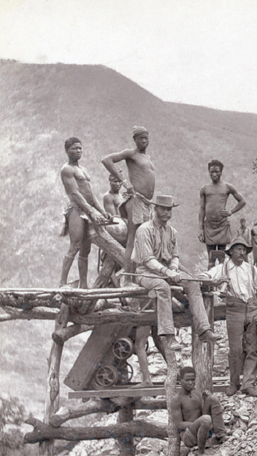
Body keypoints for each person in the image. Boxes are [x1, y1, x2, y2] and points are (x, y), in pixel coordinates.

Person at [131, 195, 220, 362]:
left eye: (169, 209)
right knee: (162, 287)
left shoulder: (172, 232)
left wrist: (173, 267)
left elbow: (175, 255)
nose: (166, 213)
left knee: (192, 284)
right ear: (155, 209)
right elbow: (148, 260)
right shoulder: (144, 230)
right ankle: (169, 335)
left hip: (167, 272)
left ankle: (204, 329)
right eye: (163, 209)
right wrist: (167, 271)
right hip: (146, 274)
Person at [200, 236, 257, 397]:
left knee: (253, 348)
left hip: (252, 308)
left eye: (244, 250)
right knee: (235, 349)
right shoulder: (222, 268)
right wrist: (216, 282)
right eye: (238, 249)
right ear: (231, 251)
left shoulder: (251, 269)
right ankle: (234, 383)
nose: (241, 253)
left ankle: (248, 384)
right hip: (234, 309)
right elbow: (202, 277)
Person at [102, 126, 156, 282]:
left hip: (147, 203)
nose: (144, 141)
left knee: (144, 239)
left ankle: (141, 276)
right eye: (140, 138)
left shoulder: (148, 158)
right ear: (135, 140)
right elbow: (106, 160)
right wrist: (124, 182)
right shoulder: (131, 154)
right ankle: (128, 280)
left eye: (146, 138)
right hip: (135, 200)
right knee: (132, 240)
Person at [60, 137, 111, 288]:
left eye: (80, 148)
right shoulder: (67, 169)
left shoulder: (84, 170)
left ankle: (83, 284)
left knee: (85, 249)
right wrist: (91, 211)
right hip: (76, 209)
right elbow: (75, 193)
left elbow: (90, 194)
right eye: (75, 148)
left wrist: (102, 211)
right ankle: (62, 282)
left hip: (88, 210)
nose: (78, 151)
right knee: (75, 245)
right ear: (67, 151)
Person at [198, 160, 246, 269]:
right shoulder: (204, 189)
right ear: (208, 172)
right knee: (211, 259)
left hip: (222, 226)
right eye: (211, 172)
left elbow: (242, 201)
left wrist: (231, 211)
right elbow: (201, 209)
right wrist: (200, 229)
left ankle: (221, 283)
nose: (214, 174)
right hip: (209, 226)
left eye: (216, 171)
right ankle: (210, 283)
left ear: (221, 172)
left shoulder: (227, 187)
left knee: (221, 257)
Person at [172, 366, 227, 455]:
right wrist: (197, 424)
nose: (190, 383)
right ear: (180, 381)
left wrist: (206, 399)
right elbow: (178, 424)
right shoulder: (177, 399)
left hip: (202, 429)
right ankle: (201, 452)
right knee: (205, 419)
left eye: (193, 380)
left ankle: (221, 435)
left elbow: (201, 413)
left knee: (212, 398)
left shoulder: (196, 394)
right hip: (189, 435)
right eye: (187, 380)